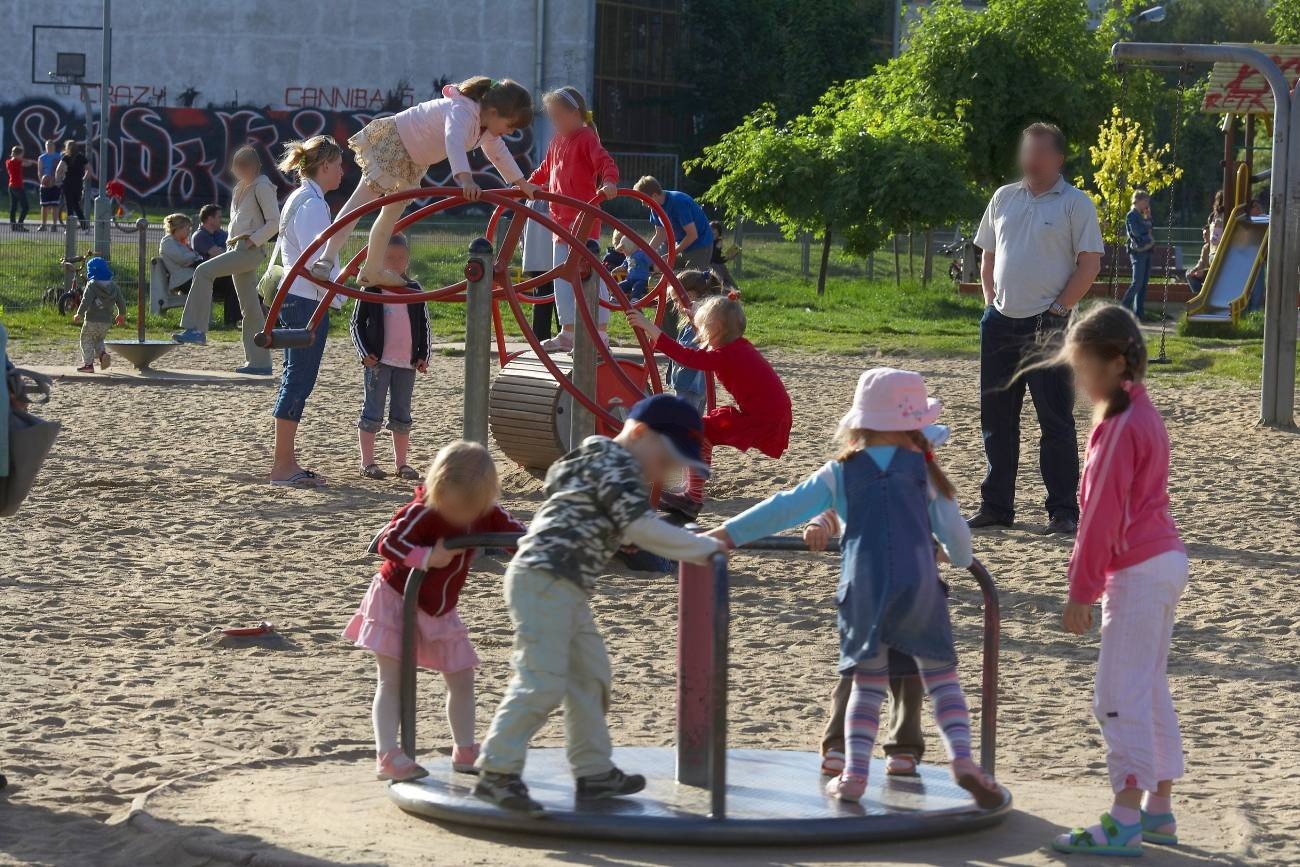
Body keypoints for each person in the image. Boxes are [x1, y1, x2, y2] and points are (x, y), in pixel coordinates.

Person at [706, 368, 1000, 808]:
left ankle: (855, 773)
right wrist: (957, 559)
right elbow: (957, 537)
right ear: (914, 426)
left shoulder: (840, 472)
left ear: (859, 423)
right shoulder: (925, 472)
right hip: (920, 585)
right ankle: (961, 758)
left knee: (867, 682)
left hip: (862, 588)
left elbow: (784, 506)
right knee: (941, 678)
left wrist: (727, 534)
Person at [474, 395, 724, 815]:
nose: (666, 472)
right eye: (665, 460)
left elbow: (561, 482)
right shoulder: (616, 466)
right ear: (640, 433)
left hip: (564, 584)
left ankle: (593, 771)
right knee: (542, 680)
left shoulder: (596, 459)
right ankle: (496, 770)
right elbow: (640, 527)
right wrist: (704, 548)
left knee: (590, 676)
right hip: (544, 578)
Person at [1044, 305, 1187, 856]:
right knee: (1147, 686)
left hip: (1139, 569)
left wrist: (1082, 590)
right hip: (1162, 561)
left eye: (1081, 369)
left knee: (1116, 694)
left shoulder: (1117, 427)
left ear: (1110, 366)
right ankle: (1158, 811)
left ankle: (1125, 819)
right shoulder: (1143, 415)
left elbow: (1101, 515)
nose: (1078, 381)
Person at [343, 441, 527, 782]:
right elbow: (388, 541)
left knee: (462, 675)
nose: (461, 516)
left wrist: (535, 550)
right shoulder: (424, 509)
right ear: (439, 487)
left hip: (439, 608)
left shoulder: (484, 510)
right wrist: (427, 558)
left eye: (469, 510)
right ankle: (388, 755)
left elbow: (515, 536)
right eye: (453, 507)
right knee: (392, 680)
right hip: (396, 598)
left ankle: (465, 749)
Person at [970, 122, 1103, 536]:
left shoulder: (1075, 204)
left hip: (1050, 326)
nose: (1029, 159)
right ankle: (996, 506)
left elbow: (1089, 265)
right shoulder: (1003, 197)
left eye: (1039, 152)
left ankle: (1063, 511)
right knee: (996, 419)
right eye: (1026, 150)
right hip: (1000, 326)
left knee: (1055, 421)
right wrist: (990, 302)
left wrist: (1060, 309)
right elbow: (988, 255)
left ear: (1058, 159)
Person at [812, 423, 954, 780]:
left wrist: (941, 548)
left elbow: (943, 524)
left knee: (909, 677)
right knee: (856, 672)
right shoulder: (855, 473)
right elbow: (833, 508)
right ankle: (837, 746)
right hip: (870, 593)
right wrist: (819, 525)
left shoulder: (922, 481)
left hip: (911, 593)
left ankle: (903, 748)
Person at [314, 77, 537, 287]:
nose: (510, 132)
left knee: (390, 214)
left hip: (414, 162)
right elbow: (454, 140)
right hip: (397, 143)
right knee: (361, 202)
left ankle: (372, 269)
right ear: (494, 112)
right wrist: (465, 179)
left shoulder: (487, 130)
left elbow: (499, 153)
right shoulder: (463, 111)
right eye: (510, 125)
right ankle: (327, 258)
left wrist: (522, 183)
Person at [627, 296, 792, 518]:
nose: (700, 332)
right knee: (702, 431)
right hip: (769, 411)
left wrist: (649, 327)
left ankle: (692, 497)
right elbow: (707, 341)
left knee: (698, 431)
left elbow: (686, 357)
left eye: (703, 327)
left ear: (715, 329)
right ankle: (691, 494)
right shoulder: (737, 346)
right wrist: (696, 316)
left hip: (763, 417)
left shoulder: (725, 355)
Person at [269, 135, 346, 487]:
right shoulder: (313, 205)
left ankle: (285, 461)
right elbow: (316, 264)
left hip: (299, 296)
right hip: (306, 299)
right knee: (298, 379)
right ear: (326, 165)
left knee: (297, 377)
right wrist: (341, 293)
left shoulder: (303, 198)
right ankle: (283, 465)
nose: (343, 172)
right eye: (340, 165)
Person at [527, 86, 620, 353]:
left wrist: (610, 182)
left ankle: (600, 333)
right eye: (551, 117)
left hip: (583, 221)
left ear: (574, 113)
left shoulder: (586, 138)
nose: (554, 122)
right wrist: (524, 185)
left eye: (558, 115)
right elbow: (545, 170)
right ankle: (568, 332)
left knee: (589, 274)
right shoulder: (557, 141)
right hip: (560, 223)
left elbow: (605, 163)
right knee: (561, 278)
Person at [172, 146, 280, 374]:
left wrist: (253, 241)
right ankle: (260, 363)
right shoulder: (241, 187)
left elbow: (274, 222)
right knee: (250, 308)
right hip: (238, 247)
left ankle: (196, 328)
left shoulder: (262, 186)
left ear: (253, 166)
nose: (238, 170)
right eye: (237, 166)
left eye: (243, 165)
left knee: (203, 271)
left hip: (247, 249)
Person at [349, 233, 432, 480]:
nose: (396, 262)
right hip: (378, 362)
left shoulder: (414, 289)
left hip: (406, 362)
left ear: (407, 260)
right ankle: (368, 462)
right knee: (372, 410)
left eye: (401, 258)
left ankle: (401, 463)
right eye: (390, 258)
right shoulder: (372, 287)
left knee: (402, 412)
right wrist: (365, 353)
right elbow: (356, 324)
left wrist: (423, 355)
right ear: (379, 259)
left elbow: (424, 324)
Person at [633, 176, 714, 271]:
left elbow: (692, 235)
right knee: (663, 270)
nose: (643, 204)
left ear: (654, 195)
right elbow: (660, 234)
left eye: (644, 200)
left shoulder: (678, 203)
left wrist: (672, 253)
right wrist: (644, 254)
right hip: (682, 246)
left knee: (690, 281)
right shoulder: (655, 208)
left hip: (700, 245)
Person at [70, 256, 127, 373]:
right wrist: (121, 314)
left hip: (92, 319)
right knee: (99, 339)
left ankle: (88, 365)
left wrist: (79, 313)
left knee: (86, 339)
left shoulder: (92, 285)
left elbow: (86, 300)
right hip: (106, 321)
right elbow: (121, 301)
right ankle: (102, 355)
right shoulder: (114, 286)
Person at [188, 204, 240, 328]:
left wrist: (222, 251)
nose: (221, 219)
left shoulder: (221, 234)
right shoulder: (200, 236)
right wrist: (223, 251)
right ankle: (231, 321)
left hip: (222, 273)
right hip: (208, 277)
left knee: (245, 281)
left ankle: (270, 318)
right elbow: (220, 254)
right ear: (209, 219)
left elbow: (232, 248)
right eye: (218, 217)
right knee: (232, 281)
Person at [520, 199, 555, 341]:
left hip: (539, 252)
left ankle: (540, 341)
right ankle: (566, 338)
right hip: (547, 249)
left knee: (543, 295)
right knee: (554, 294)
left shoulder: (532, 199)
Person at [1122, 190, 1154, 319]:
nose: (1147, 205)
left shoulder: (1142, 215)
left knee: (1143, 284)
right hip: (1138, 252)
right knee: (1137, 283)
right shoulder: (1132, 215)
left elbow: (1151, 227)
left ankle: (1139, 314)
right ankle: (1122, 310)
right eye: (1145, 201)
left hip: (1147, 251)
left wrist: (1148, 219)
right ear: (1138, 201)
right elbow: (1136, 232)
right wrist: (1149, 237)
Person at [158, 213, 205, 295]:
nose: (189, 231)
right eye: (187, 228)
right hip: (182, 280)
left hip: (191, 276)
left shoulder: (182, 243)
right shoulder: (167, 242)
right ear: (178, 228)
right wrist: (194, 258)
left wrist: (193, 260)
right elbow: (182, 259)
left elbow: (198, 257)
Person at [612, 230, 652, 302]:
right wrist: (619, 268)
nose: (623, 252)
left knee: (637, 287)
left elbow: (650, 261)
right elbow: (624, 265)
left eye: (623, 249)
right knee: (619, 286)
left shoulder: (641, 254)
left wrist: (649, 260)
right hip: (630, 280)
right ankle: (615, 297)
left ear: (629, 247)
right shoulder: (628, 257)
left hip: (642, 279)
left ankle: (634, 299)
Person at [59, 140, 89, 230]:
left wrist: (58, 179)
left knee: (69, 205)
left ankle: (70, 228)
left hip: (68, 183)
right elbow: (89, 169)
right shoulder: (81, 157)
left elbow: (58, 169)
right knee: (76, 205)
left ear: (67, 148)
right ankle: (84, 226)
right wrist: (84, 177)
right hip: (78, 184)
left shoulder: (66, 157)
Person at [37, 139, 62, 232]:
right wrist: (42, 181)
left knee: (55, 205)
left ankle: (54, 225)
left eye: (51, 145)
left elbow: (61, 170)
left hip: (55, 184)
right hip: (45, 184)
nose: (49, 147)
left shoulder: (59, 156)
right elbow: (40, 171)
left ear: (54, 146)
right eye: (47, 146)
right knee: (44, 205)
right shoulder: (42, 157)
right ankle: (43, 224)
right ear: (45, 147)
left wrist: (56, 180)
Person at [6, 146, 34, 231]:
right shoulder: (18, 162)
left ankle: (14, 226)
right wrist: (33, 161)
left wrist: (22, 159)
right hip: (17, 186)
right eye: (21, 154)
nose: (22, 156)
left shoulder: (8, 162)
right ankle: (19, 225)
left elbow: (22, 161)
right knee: (25, 207)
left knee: (13, 207)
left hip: (11, 186)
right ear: (18, 154)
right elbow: (28, 163)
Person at [708, 220, 739, 293]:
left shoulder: (718, 242)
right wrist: (727, 258)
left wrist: (727, 257)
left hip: (717, 266)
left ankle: (733, 296)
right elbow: (714, 258)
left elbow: (716, 258)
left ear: (718, 233)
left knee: (728, 283)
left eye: (714, 233)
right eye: (711, 232)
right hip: (712, 266)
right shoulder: (709, 241)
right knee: (719, 284)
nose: (712, 234)